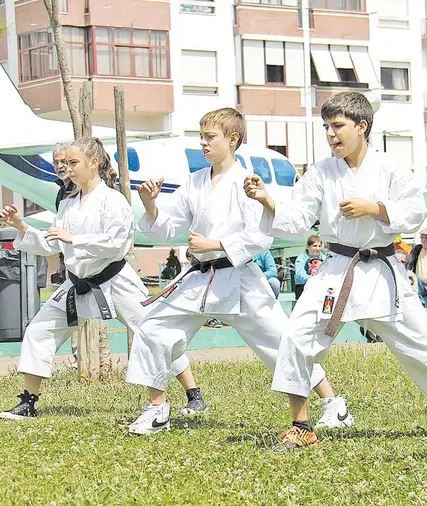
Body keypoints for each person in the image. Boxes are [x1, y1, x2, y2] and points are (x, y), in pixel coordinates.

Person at [245, 92, 427, 450]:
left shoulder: (391, 168)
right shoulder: (321, 171)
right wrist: (267, 200)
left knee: (423, 346)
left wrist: (374, 208)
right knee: (297, 335)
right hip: (336, 269)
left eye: (338, 126)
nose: (331, 134)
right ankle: (301, 426)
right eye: (326, 127)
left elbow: (414, 214)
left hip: (382, 271)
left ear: (362, 126)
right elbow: (298, 218)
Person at [125, 108, 349, 435]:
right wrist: (149, 204)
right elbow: (166, 226)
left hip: (241, 279)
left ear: (232, 139)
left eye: (209, 137)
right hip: (201, 278)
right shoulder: (195, 181)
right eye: (201, 136)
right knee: (153, 327)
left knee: (283, 343)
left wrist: (214, 243)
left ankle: (333, 404)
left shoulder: (247, 182)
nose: (202, 143)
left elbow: (260, 236)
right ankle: (156, 409)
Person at [0, 137, 199, 420]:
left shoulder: (113, 201)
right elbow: (53, 244)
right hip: (77, 283)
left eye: (73, 162)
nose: (67, 168)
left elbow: (116, 244)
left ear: (93, 163)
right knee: (38, 331)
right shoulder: (68, 204)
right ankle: (28, 402)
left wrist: (75, 238)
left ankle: (193, 393)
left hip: (115, 280)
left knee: (152, 331)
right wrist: (21, 225)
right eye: (64, 163)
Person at [406, 228, 427, 310]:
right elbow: (409, 261)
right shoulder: (418, 249)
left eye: (426, 237)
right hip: (419, 284)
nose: (423, 240)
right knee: (419, 307)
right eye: (422, 237)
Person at [294, 235, 326, 299]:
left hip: (320, 284)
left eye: (319, 246)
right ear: (308, 247)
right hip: (303, 285)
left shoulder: (324, 258)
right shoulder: (301, 258)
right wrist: (312, 279)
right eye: (314, 246)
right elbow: (299, 275)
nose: (317, 249)